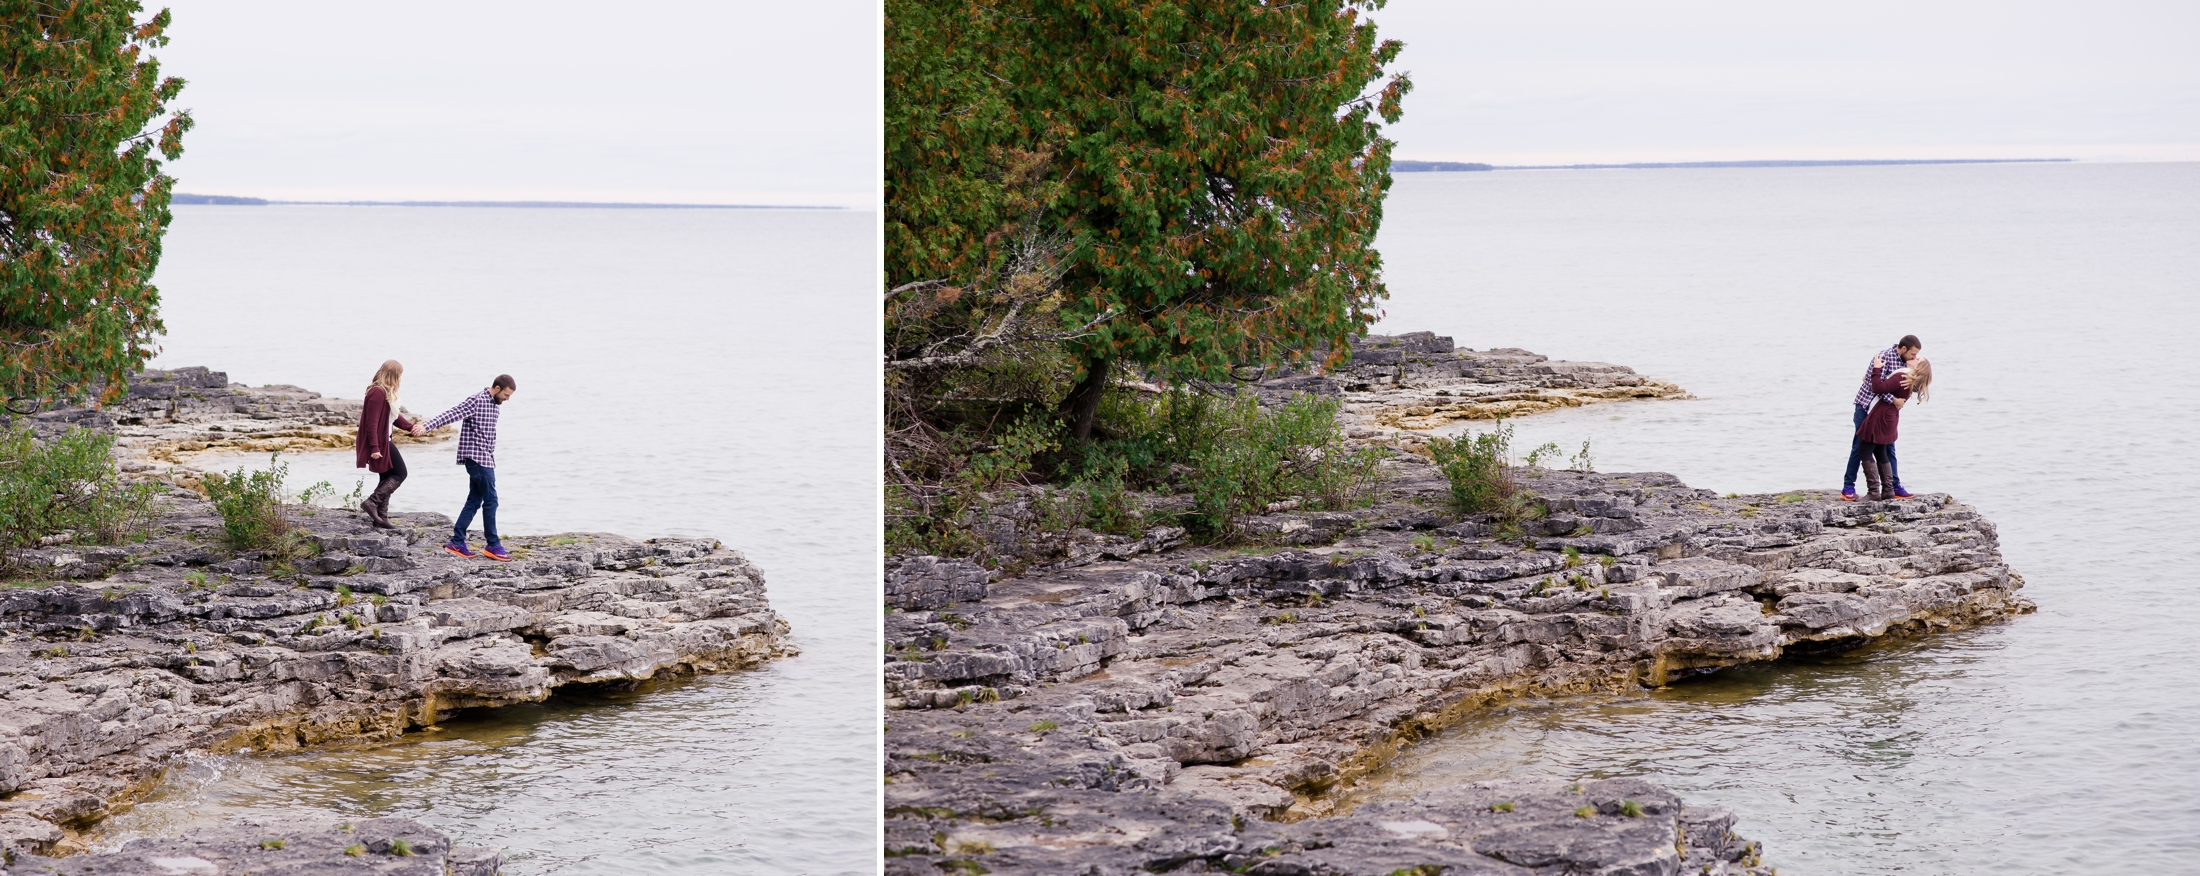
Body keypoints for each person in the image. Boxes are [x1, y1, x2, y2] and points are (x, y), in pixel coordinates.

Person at [419, 374, 518, 561]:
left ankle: (456, 542)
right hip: (477, 459)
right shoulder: (477, 401)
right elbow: (451, 413)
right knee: (492, 501)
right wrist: (427, 427)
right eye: (506, 394)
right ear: (496, 388)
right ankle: (493, 545)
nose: (507, 399)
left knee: (474, 500)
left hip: (486, 459)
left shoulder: (494, 406)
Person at [1843, 335, 1921, 501]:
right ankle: (1848, 486)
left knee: (1889, 447)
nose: (1915, 358)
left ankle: (1893, 486)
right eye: (1913, 354)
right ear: (1904, 349)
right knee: (1859, 446)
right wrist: (1894, 400)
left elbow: (1905, 388)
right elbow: (1875, 385)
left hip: (1885, 412)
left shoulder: (1906, 364)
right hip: (1865, 406)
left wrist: (1913, 384)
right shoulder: (1884, 357)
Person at [353, 360, 419, 529]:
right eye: (399, 375)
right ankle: (371, 502)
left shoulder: (386, 393)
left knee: (386, 477)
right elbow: (371, 423)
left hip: (384, 440)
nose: (400, 379)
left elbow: (394, 417)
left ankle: (381, 519)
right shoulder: (377, 392)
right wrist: (375, 447)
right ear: (392, 375)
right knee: (400, 474)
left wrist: (411, 428)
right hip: (380, 442)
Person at [1855, 359, 1932, 501]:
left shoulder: (1902, 377)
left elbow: (1878, 388)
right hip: (1890, 417)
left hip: (1881, 415)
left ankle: (1873, 491)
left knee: (1864, 451)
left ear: (1918, 368)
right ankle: (1888, 490)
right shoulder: (1910, 380)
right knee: (1880, 451)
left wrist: (1876, 369)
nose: (1914, 358)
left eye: (1917, 360)